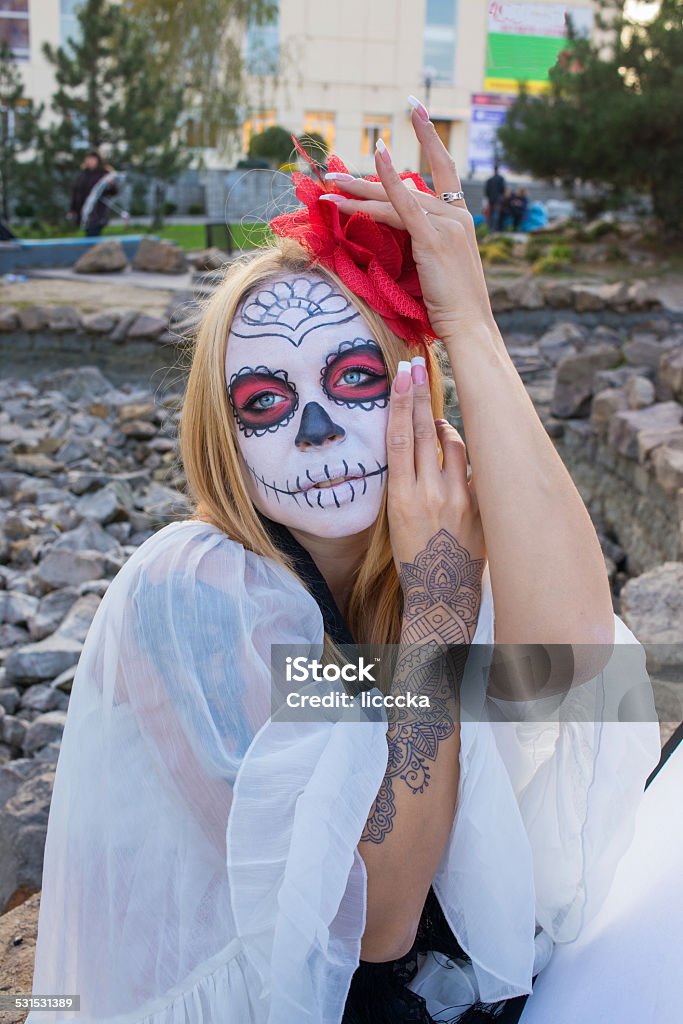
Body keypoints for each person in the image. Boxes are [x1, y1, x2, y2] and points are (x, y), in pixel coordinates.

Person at [26, 102, 661, 1024]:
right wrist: (441, 604)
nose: (319, 428)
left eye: (356, 378)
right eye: (263, 398)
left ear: (409, 384)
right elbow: (373, 918)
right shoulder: (194, 592)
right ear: (224, 438)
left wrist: (467, 317)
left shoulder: (431, 524)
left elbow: (578, 675)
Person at [66, 149, 119, 236]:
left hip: (97, 213)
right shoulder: (83, 174)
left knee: (93, 233)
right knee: (89, 234)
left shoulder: (104, 174)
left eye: (92, 159)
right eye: (88, 159)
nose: (90, 161)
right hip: (84, 212)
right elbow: (76, 192)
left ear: (98, 160)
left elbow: (114, 192)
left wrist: (111, 185)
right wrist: (72, 209)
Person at [484, 163, 506, 231]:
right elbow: (503, 189)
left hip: (491, 199)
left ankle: (490, 228)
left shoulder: (489, 180)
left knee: (491, 214)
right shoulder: (501, 179)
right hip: (498, 199)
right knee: (496, 214)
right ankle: (495, 228)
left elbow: (486, 191)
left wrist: (488, 197)